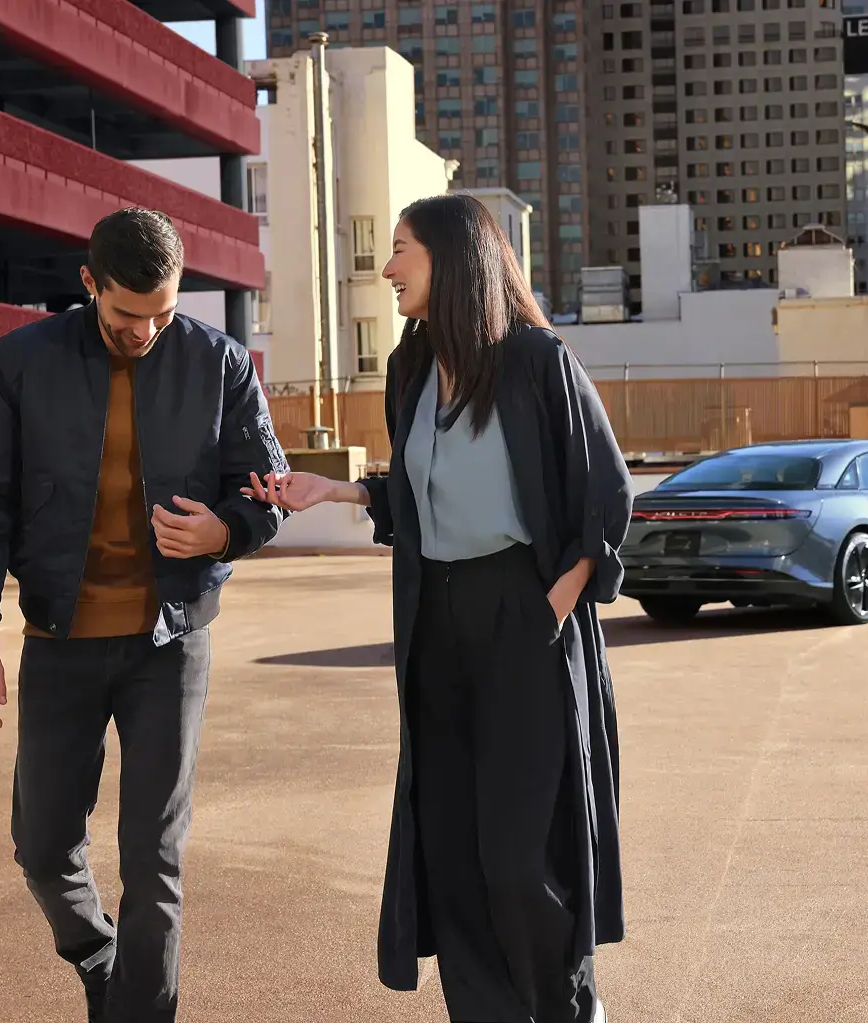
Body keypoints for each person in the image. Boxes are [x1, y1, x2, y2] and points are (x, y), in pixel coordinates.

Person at [243, 193, 633, 1023]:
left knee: (516, 856)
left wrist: (550, 610)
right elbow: (421, 497)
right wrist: (337, 489)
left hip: (524, 617)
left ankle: (566, 1006)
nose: (385, 268)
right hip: (436, 624)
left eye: (399, 251)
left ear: (452, 259)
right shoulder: (412, 368)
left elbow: (605, 497)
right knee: (452, 850)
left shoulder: (536, 361)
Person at [0, 207, 289, 1024]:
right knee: (41, 849)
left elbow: (263, 486)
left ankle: (141, 1012)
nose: (146, 329)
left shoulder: (220, 361)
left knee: (154, 858)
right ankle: (103, 963)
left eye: (163, 311)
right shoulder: (22, 361)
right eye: (128, 313)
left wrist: (226, 528)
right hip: (60, 641)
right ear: (90, 285)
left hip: (170, 644)